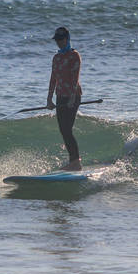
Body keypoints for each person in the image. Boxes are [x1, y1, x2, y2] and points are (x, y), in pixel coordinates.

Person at [46, 26, 83, 170]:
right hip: (60, 97)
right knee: (63, 130)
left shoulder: (74, 55)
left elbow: (75, 77)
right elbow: (53, 78)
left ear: (67, 39)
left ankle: (75, 162)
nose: (59, 43)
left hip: (73, 96)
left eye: (61, 40)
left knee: (67, 129)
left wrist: (73, 97)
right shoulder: (56, 57)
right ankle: (73, 161)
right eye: (57, 40)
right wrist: (49, 99)